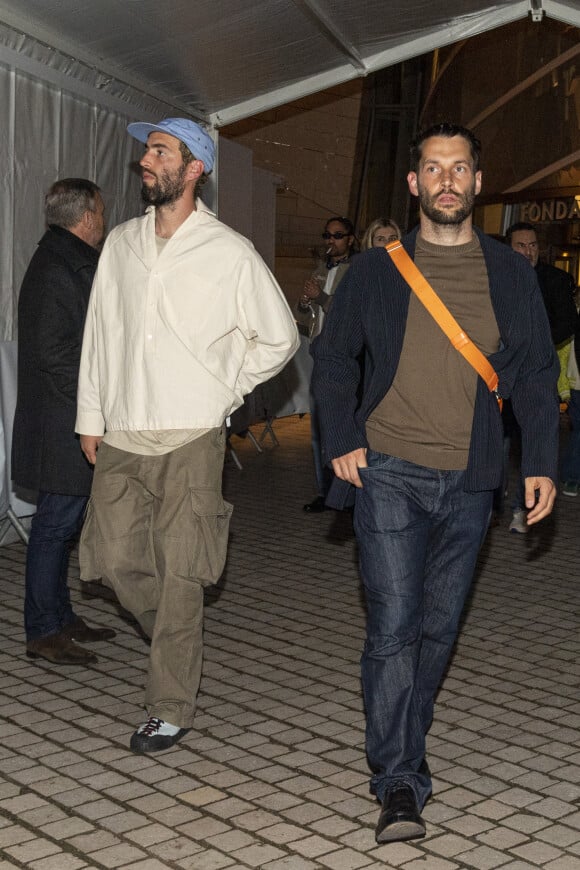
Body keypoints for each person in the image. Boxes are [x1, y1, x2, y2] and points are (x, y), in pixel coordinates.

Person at [311, 122, 559, 843]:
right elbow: (333, 361)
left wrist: (538, 460)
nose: (446, 179)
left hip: (472, 479)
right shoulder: (376, 270)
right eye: (432, 168)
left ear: (478, 184)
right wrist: (342, 439)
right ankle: (398, 779)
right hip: (388, 470)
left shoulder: (510, 273)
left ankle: (402, 738)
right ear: (414, 184)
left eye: (460, 168)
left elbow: (538, 372)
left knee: (438, 628)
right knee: (393, 627)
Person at [76, 117, 299, 754]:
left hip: (192, 436)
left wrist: (225, 391)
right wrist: (91, 417)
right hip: (123, 432)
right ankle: (178, 641)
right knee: (113, 563)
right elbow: (101, 335)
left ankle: (169, 703)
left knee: (182, 575)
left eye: (160, 151)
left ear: (194, 167)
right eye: (147, 150)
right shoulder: (120, 243)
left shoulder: (228, 250)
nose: (146, 160)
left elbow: (279, 338)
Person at [12, 178, 115, 665]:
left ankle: (60, 617)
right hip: (64, 424)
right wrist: (98, 406)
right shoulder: (58, 268)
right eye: (102, 211)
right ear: (88, 216)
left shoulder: (65, 260)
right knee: (53, 527)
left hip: (68, 420)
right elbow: (58, 356)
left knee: (62, 525)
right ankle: (42, 629)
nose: (104, 219)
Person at [505, 221, 577, 528]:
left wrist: (537, 343)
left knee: (533, 441)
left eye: (532, 245)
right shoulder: (494, 277)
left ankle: (524, 507)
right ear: (509, 248)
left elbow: (568, 322)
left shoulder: (555, 280)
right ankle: (491, 505)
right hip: (501, 374)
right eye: (521, 245)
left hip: (536, 373)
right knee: (498, 443)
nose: (528, 251)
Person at [297, 216, 357, 512]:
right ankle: (325, 492)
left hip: (343, 355)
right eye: (327, 235)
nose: (331, 240)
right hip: (318, 352)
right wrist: (306, 302)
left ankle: (345, 489)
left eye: (337, 235)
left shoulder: (356, 270)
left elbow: (347, 313)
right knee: (318, 426)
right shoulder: (322, 269)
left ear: (351, 239)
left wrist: (319, 297)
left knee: (338, 423)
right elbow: (307, 312)